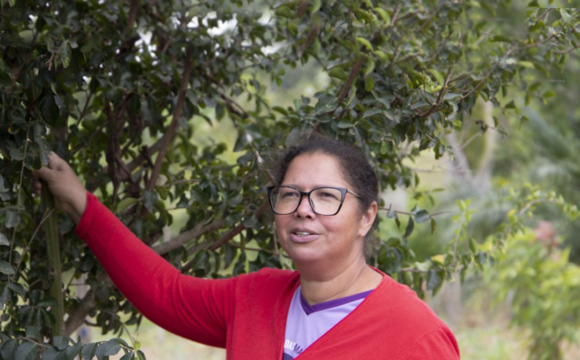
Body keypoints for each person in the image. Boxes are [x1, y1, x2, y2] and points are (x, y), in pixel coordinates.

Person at [33, 136, 460, 360]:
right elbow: (165, 293)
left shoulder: (415, 336)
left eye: (326, 196)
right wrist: (81, 204)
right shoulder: (255, 298)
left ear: (367, 216)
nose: (303, 211)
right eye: (290, 195)